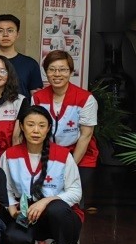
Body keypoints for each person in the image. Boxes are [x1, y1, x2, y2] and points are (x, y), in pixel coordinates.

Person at [0, 104, 84, 244]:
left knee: (56, 209)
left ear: (48, 128)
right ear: (21, 126)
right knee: (12, 237)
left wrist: (45, 201)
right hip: (30, 216)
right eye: (30, 124)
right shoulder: (10, 155)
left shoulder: (63, 155)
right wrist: (13, 211)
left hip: (63, 217)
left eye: (41, 125)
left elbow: (76, 192)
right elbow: (5, 188)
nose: (36, 130)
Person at [32, 50, 99, 203]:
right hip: (48, 154)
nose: (57, 74)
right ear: (46, 72)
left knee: (74, 199)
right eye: (52, 69)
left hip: (80, 155)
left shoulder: (85, 98)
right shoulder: (38, 98)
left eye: (62, 69)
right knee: (45, 197)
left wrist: (69, 166)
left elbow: (86, 135)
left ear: (71, 72)